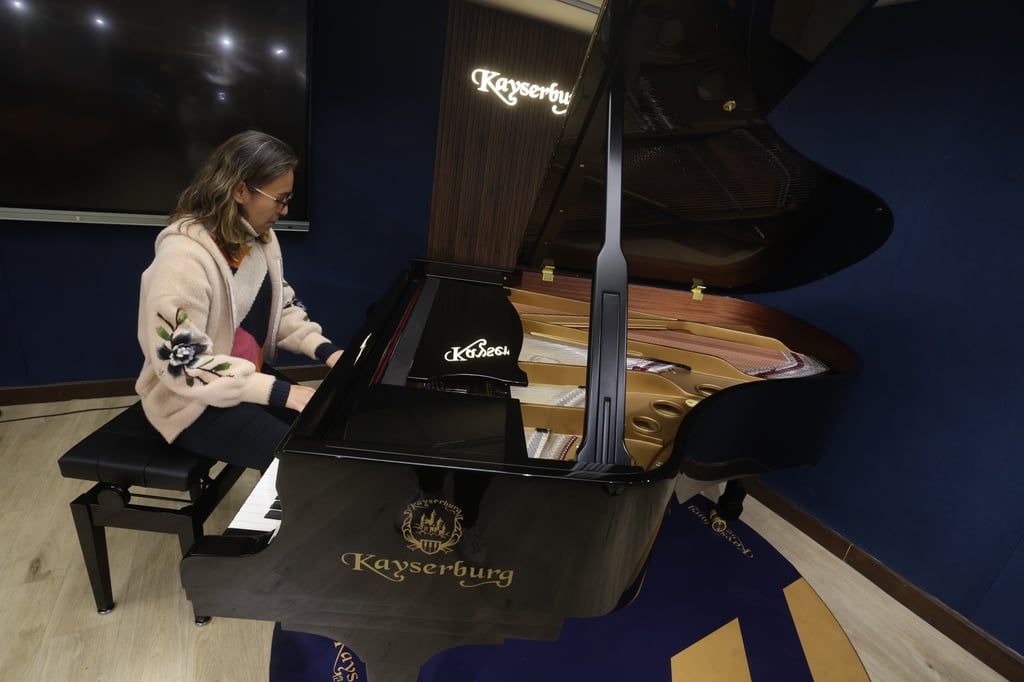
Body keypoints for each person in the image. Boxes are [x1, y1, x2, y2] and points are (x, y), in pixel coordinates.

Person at [135, 130, 342, 471]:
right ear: (240, 189)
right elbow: (183, 364)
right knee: (305, 465)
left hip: (243, 379)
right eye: (280, 199)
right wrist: (284, 394)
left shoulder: (259, 240)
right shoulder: (183, 257)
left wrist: (329, 352)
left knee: (326, 425)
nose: (285, 210)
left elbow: (282, 309)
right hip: (189, 402)